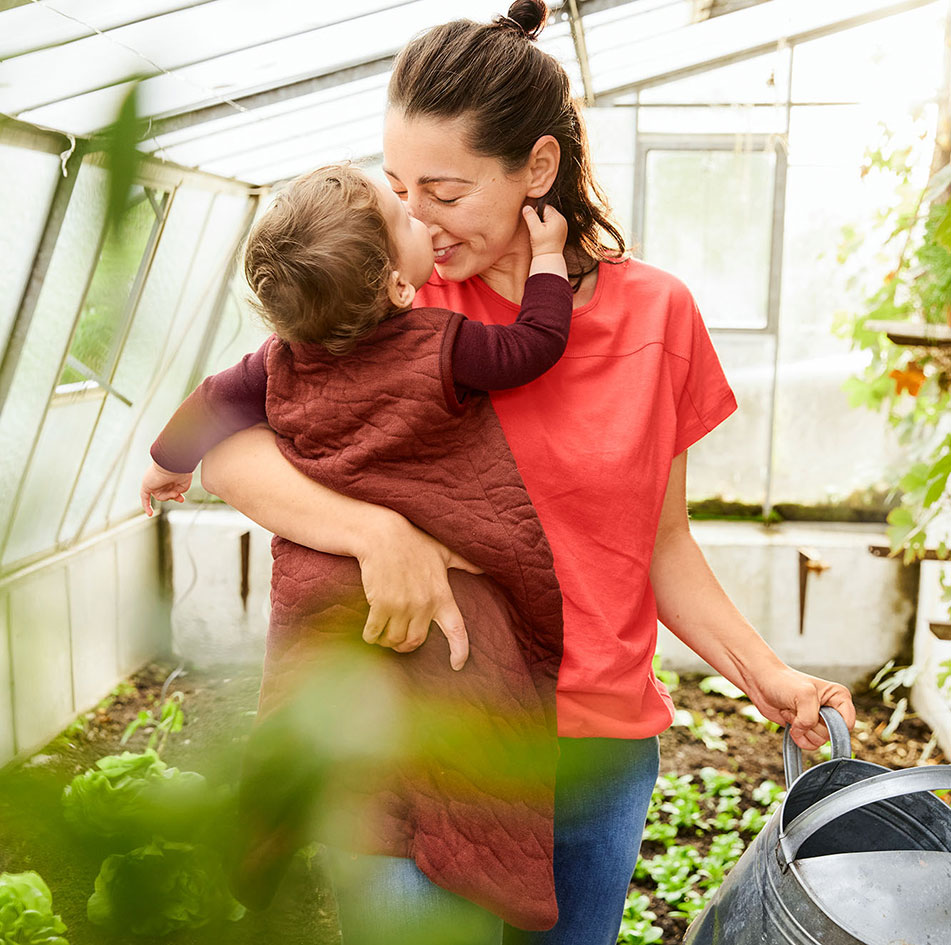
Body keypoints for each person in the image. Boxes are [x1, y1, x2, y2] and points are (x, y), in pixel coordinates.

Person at [194, 2, 857, 943]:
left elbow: (658, 545)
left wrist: (766, 675)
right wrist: (377, 534)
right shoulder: (391, 298)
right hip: (420, 734)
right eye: (396, 185)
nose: (413, 215)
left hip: (599, 750)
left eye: (444, 190)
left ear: (537, 169)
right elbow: (226, 443)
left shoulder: (657, 317)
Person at [140, 161, 579, 934]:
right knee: (470, 699)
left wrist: (165, 463)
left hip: (320, 596)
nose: (420, 215)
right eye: (405, 216)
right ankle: (471, 861)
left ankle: (286, 827)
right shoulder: (440, 346)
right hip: (444, 590)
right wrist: (548, 262)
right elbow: (532, 347)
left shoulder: (276, 362)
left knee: (326, 729)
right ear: (400, 290)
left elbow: (212, 402)